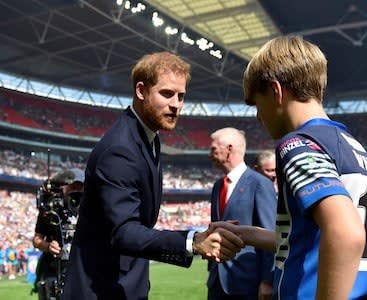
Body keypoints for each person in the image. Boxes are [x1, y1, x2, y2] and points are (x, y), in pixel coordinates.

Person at [62, 52, 244, 300]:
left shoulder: (149, 138)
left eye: (181, 96)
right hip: (100, 290)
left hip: (124, 285)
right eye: (167, 93)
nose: (176, 104)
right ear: (141, 91)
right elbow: (125, 232)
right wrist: (193, 242)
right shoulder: (120, 149)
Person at [213, 35, 367, 299]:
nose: (258, 116)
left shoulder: (299, 145)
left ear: (276, 91)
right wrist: (245, 234)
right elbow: (309, 241)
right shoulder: (351, 146)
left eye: (257, 103)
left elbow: (346, 232)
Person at [208, 127, 276, 300]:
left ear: (229, 149)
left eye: (213, 149)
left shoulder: (259, 184)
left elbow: (271, 234)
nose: (210, 154)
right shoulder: (218, 186)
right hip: (217, 283)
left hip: (247, 283)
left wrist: (267, 280)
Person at [32, 168, 85, 299]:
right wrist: (48, 246)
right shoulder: (51, 210)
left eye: (80, 188)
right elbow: (37, 240)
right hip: (53, 271)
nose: (76, 192)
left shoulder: (90, 211)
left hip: (82, 272)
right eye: (73, 187)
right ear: (64, 188)